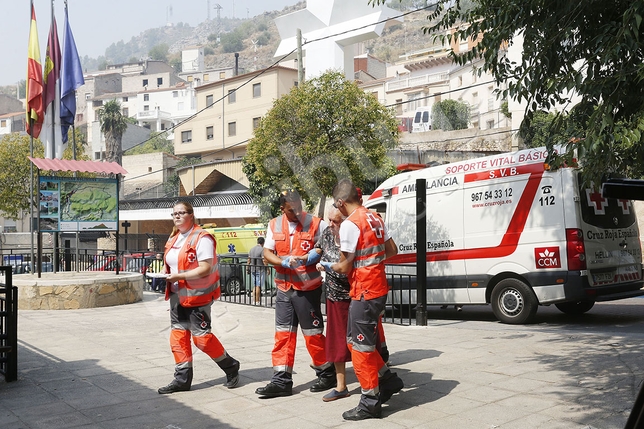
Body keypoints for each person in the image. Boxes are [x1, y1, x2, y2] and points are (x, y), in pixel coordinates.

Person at [324, 179, 404, 420]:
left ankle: (370, 400)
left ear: (340, 203)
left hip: (363, 291)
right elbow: (392, 251)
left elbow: (346, 266)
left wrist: (331, 266)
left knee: (360, 346)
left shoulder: (350, 225)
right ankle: (388, 380)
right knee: (354, 341)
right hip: (377, 287)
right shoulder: (374, 217)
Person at [255, 190, 336, 398]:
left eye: (299, 208)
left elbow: (329, 246)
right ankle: (281, 380)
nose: (298, 213)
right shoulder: (275, 224)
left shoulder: (317, 224)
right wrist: (282, 261)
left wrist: (310, 258)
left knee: (313, 335)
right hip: (284, 289)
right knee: (283, 335)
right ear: (282, 209)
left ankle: (327, 372)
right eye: (292, 211)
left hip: (307, 290)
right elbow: (267, 252)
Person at [157, 201, 240, 394]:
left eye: (181, 213)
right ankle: (182, 379)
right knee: (178, 337)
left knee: (202, 339)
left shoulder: (202, 238)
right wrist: (165, 271)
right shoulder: (174, 238)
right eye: (174, 214)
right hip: (177, 295)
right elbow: (172, 262)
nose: (177, 216)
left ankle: (231, 366)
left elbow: (205, 268)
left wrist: (179, 276)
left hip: (197, 297)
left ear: (191, 215)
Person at [247, 237, 266, 304]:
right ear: (263, 243)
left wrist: (247, 268)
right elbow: (264, 260)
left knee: (255, 285)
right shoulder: (262, 250)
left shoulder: (251, 249)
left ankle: (254, 300)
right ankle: (257, 301)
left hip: (253, 269)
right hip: (260, 269)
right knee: (258, 285)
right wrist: (268, 268)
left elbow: (248, 260)